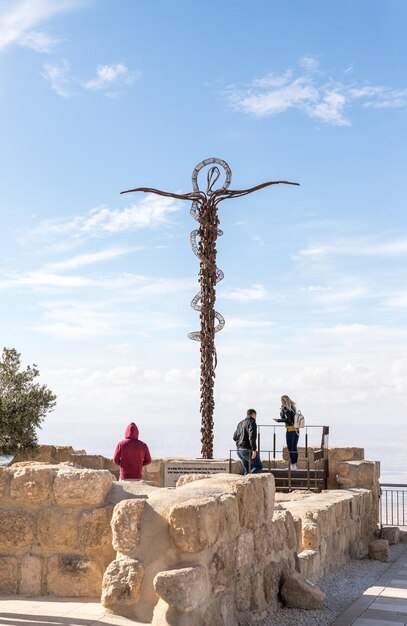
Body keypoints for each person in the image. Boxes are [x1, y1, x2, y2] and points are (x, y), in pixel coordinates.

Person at [233, 408, 263, 475]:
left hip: (239, 450)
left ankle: (245, 482)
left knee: (247, 470)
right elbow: (252, 437)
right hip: (246, 450)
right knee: (258, 466)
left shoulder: (240, 423)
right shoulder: (252, 422)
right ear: (254, 415)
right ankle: (248, 478)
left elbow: (234, 437)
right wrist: (254, 450)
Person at [274, 395, 299, 470]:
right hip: (296, 430)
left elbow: (287, 420)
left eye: (282, 401)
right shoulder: (293, 408)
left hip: (290, 430)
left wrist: (278, 420)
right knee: (294, 448)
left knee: (290, 448)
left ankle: (293, 465)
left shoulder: (286, 409)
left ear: (284, 401)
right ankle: (294, 465)